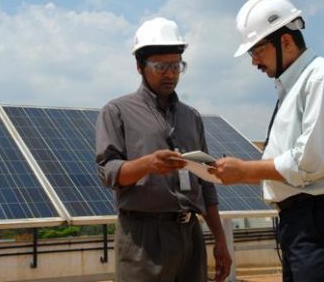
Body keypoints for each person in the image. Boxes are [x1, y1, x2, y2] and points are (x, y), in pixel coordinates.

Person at [210, 0, 324, 282]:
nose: (254, 62)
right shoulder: (293, 87)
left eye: (257, 51)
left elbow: (311, 161)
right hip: (301, 221)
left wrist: (245, 171)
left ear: (285, 41)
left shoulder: (322, 78)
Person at [95, 17, 232, 282]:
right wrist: (148, 164)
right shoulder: (117, 112)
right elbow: (108, 173)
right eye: (160, 66)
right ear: (139, 66)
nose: (170, 73)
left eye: (176, 65)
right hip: (144, 239)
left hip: (190, 234)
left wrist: (220, 240)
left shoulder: (191, 117)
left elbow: (205, 184)